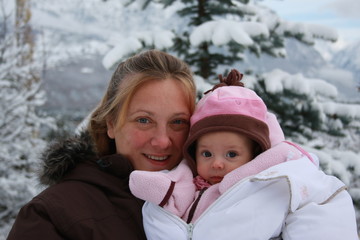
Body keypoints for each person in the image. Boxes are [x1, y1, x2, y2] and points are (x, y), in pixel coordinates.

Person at [130, 69, 358, 240]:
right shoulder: (182, 188)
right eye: (207, 153)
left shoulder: (279, 182)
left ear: (254, 155)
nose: (217, 164)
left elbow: (325, 215)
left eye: (231, 154)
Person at [6, 49, 197, 240]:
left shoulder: (213, 198)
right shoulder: (52, 216)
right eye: (144, 120)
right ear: (111, 124)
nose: (162, 141)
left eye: (178, 122)